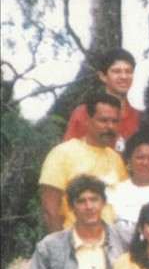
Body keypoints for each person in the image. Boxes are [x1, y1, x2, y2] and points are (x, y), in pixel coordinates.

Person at [39, 92, 128, 231]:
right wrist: (60, 243)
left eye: (115, 121)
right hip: (74, 238)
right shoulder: (62, 153)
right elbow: (50, 210)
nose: (110, 127)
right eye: (103, 120)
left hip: (112, 239)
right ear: (88, 120)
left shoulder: (116, 159)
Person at [62, 48, 140, 149]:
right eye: (116, 71)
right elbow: (67, 152)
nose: (124, 76)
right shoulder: (83, 113)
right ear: (103, 76)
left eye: (128, 71)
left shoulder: (139, 119)